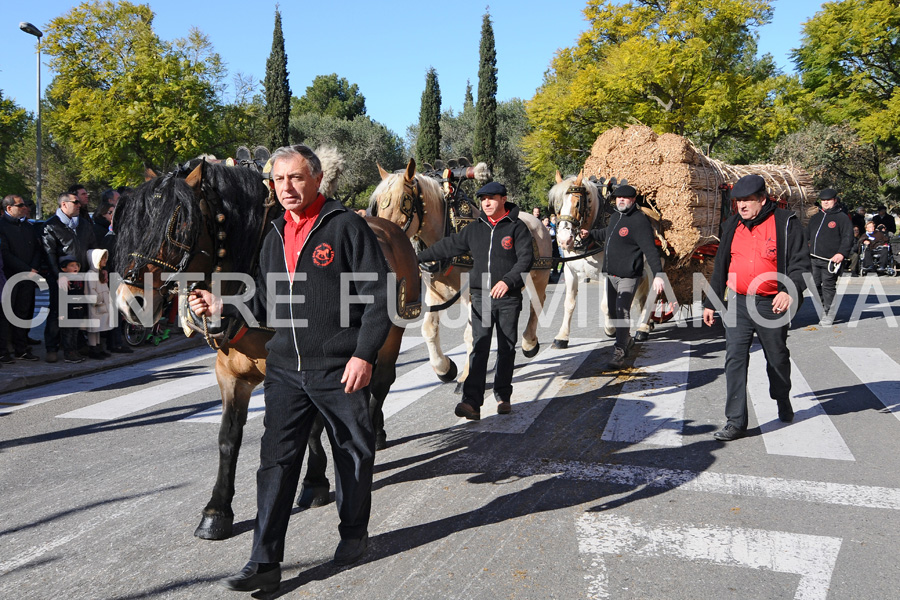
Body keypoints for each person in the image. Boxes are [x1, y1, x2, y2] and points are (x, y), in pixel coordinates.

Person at [188, 144, 392, 593]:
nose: (286, 188)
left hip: (340, 367)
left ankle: (354, 534)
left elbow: (382, 299)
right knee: (275, 464)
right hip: (284, 370)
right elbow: (264, 301)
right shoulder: (275, 234)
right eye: (279, 180)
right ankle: (263, 561)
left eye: (296, 178)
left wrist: (363, 355)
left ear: (317, 179)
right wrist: (223, 303)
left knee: (352, 455)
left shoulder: (346, 227)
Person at [702, 174, 810, 442]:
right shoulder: (732, 225)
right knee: (734, 359)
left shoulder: (786, 224)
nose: (742, 206)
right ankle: (735, 421)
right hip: (738, 302)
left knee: (777, 359)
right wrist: (711, 302)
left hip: (770, 304)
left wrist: (789, 291)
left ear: (763, 199)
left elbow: (801, 266)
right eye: (739, 201)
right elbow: (721, 267)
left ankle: (782, 397)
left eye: (748, 201)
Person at [416, 181, 532, 420]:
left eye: (491, 198)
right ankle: (471, 402)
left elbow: (525, 260)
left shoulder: (517, 228)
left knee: (506, 348)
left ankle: (503, 395)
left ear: (503, 199)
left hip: (508, 297)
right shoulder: (474, 229)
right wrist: (415, 256)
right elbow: (448, 246)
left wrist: (508, 281)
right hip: (481, 296)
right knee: (479, 348)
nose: (486, 203)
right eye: (483, 199)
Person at [579, 185, 664, 370]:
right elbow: (608, 234)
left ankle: (619, 352)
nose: (621, 200)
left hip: (628, 276)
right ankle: (626, 341)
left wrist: (658, 275)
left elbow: (650, 249)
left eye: (625, 198)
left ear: (633, 200)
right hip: (611, 275)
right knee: (612, 312)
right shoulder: (616, 216)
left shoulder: (639, 221)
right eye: (618, 198)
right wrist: (590, 233)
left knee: (621, 309)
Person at [41, 192, 98, 363]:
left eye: (79, 202)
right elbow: (48, 253)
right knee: (58, 313)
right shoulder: (51, 225)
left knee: (76, 313)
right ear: (64, 204)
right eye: (75, 202)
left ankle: (73, 347)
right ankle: (52, 348)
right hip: (61, 277)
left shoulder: (84, 224)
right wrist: (59, 275)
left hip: (80, 276)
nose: (79, 204)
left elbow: (93, 247)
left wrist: (98, 269)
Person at [0, 195, 41, 361]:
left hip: (28, 276)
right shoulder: (2, 226)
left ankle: (21, 348)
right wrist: (26, 268)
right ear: (9, 208)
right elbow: (5, 253)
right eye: (20, 205)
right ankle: (4, 351)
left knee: (23, 314)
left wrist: (34, 267)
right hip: (10, 276)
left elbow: (37, 249)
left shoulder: (27, 226)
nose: (25, 208)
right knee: (6, 315)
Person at [806, 188, 853, 326]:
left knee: (828, 286)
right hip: (814, 258)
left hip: (831, 260)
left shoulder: (842, 218)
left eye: (828, 200)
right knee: (814, 285)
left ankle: (829, 314)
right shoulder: (816, 218)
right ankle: (822, 309)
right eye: (823, 200)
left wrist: (841, 253)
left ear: (835, 200)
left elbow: (848, 237)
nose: (825, 203)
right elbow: (806, 235)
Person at [84, 248, 113, 359]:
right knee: (93, 328)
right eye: (102, 258)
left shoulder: (100, 273)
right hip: (96, 305)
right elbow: (91, 291)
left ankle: (99, 347)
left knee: (99, 328)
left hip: (102, 305)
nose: (105, 260)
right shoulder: (91, 274)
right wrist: (99, 300)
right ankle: (94, 349)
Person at [57, 255, 87, 364]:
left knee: (75, 332)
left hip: (77, 310)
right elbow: (61, 298)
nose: (75, 267)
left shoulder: (79, 279)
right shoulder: (64, 281)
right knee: (68, 333)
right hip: (68, 311)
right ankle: (69, 353)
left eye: (77, 265)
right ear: (64, 269)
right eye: (72, 265)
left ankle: (74, 351)